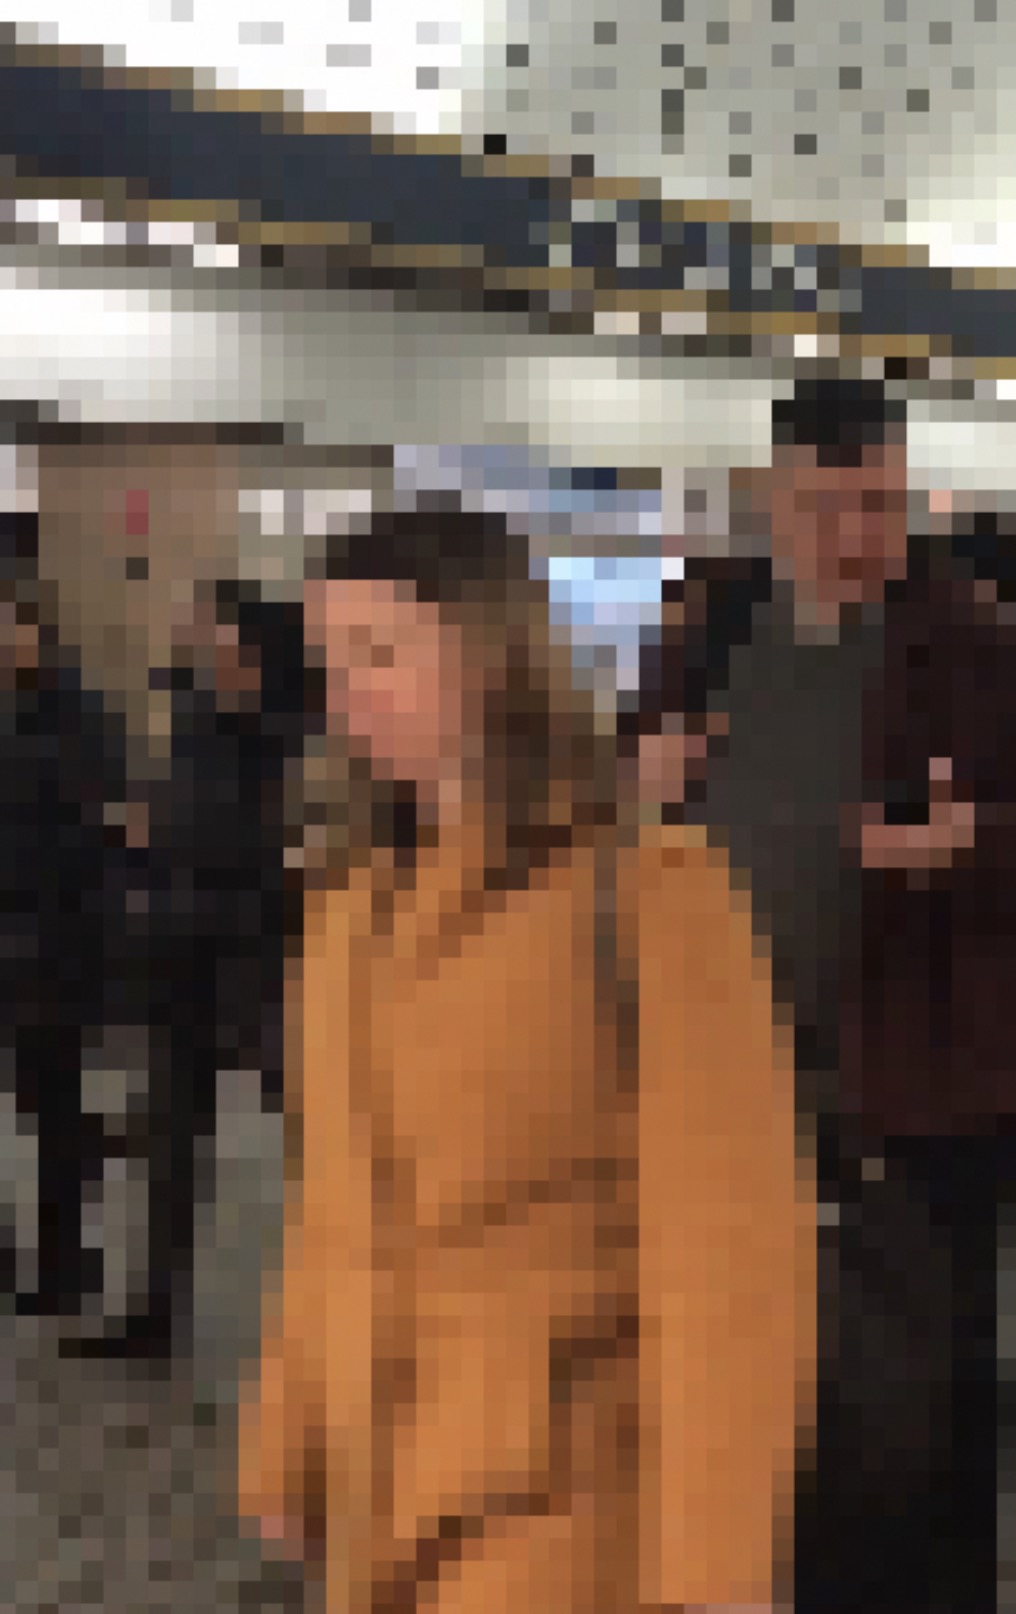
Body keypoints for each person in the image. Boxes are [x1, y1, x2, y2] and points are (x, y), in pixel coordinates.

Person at [239, 502, 814, 1614]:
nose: (348, 699)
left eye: (380, 654)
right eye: (331, 664)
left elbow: (731, 1250)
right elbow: (330, 1207)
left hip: (560, 1486)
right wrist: (289, 1434)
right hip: (374, 1475)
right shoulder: (350, 906)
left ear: (492, 653)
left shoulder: (649, 893)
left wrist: (716, 1560)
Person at [627, 374, 1016, 1614]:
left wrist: (965, 844)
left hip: (925, 1088)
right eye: (826, 507)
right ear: (772, 497)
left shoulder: (977, 644)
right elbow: (633, 801)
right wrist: (640, 782)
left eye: (881, 505)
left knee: (933, 1378)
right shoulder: (711, 632)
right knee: (765, 1361)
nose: (857, 536)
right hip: (736, 1084)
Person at [66, 580, 318, 1364]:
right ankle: (154, 1311)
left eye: (211, 624)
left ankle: (332, 1319)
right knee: (171, 1141)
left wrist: (179, 838)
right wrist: (148, 840)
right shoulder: (196, 720)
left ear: (250, 640)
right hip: (182, 953)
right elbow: (188, 818)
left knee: (316, 1138)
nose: (199, 636)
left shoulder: (294, 733)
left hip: (261, 958)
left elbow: (279, 845)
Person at [0, 581, 131, 1318]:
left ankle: (65, 1263)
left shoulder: (82, 716)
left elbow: (95, 828)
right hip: (15, 935)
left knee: (53, 1110)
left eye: (9, 626)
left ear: (38, 630)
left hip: (56, 945)